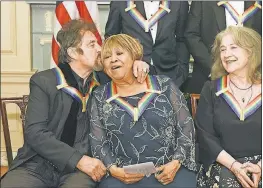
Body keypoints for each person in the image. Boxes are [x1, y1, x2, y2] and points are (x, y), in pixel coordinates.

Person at [1, 19, 150, 188]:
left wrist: (136, 63)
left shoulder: (104, 84)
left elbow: (127, 74)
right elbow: (35, 133)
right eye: (92, 44)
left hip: (82, 171)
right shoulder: (44, 81)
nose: (100, 49)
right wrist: (77, 159)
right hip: (37, 165)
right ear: (72, 52)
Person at [89, 34, 196, 188]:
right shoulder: (100, 95)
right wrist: (113, 170)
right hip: (122, 175)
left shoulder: (164, 85)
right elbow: (98, 141)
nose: (113, 59)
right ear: (104, 67)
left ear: (134, 57)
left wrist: (176, 162)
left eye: (119, 54)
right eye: (107, 57)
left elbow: (186, 126)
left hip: (169, 169)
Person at [195, 26, 262, 188]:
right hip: (224, 164)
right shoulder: (211, 89)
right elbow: (205, 137)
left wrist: (260, 166)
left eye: (233, 47)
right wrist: (234, 166)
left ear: (250, 52)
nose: (226, 54)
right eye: (223, 49)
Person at [105, 1, 190, 88]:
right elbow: (111, 39)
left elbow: (182, 39)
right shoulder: (120, 2)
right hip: (132, 75)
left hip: (170, 74)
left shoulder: (179, 3)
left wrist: (182, 71)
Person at [184, 1, 262, 94]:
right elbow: (191, 35)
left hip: (253, 79)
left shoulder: (258, 3)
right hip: (208, 76)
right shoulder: (202, 2)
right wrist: (214, 67)